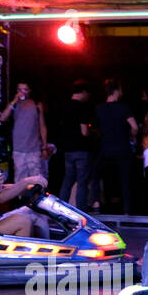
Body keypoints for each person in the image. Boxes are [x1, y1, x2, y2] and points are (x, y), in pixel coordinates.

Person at [95, 80, 138, 214]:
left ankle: (99, 206)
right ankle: (127, 211)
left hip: (105, 149)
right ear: (116, 91)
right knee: (125, 181)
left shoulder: (99, 109)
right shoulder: (123, 107)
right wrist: (132, 136)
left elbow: (95, 129)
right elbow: (134, 127)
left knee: (98, 177)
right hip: (122, 148)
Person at [0, 81, 49, 181]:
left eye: (25, 89)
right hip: (18, 150)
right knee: (20, 180)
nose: (22, 92)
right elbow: (2, 118)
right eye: (19, 89)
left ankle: (36, 196)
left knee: (36, 179)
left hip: (34, 149)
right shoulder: (14, 105)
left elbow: (42, 126)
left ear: (29, 91)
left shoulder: (36, 104)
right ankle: (22, 197)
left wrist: (44, 147)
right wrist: (14, 101)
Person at [58, 80, 94, 210]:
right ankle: (80, 212)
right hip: (81, 150)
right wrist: (93, 132)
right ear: (83, 92)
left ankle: (60, 211)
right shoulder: (82, 107)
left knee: (67, 181)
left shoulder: (64, 106)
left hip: (68, 149)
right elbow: (84, 132)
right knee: (82, 182)